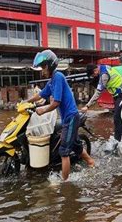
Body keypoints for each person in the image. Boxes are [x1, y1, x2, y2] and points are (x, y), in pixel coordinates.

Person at [26, 50, 94, 180]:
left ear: (50, 66)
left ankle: (64, 183)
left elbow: (56, 102)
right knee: (75, 145)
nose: (42, 70)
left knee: (64, 152)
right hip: (67, 117)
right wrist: (26, 102)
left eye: (44, 66)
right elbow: (41, 94)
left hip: (71, 117)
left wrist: (42, 110)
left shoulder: (58, 77)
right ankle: (90, 162)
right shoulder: (51, 81)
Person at [81, 64, 122, 150]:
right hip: (118, 94)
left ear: (96, 70)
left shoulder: (104, 75)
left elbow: (98, 92)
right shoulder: (102, 67)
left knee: (117, 118)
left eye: (93, 75)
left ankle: (116, 144)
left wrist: (87, 106)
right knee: (121, 119)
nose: (94, 76)